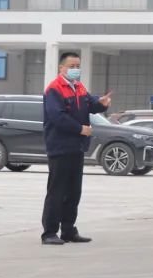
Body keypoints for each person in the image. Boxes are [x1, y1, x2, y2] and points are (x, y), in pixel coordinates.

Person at [41, 51, 111, 246]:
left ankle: (68, 230)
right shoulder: (54, 89)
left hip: (77, 147)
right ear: (61, 68)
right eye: (71, 66)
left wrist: (101, 104)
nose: (75, 70)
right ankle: (49, 232)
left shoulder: (78, 87)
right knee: (57, 191)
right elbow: (58, 117)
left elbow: (89, 104)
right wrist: (80, 129)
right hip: (60, 147)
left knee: (73, 192)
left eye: (77, 66)